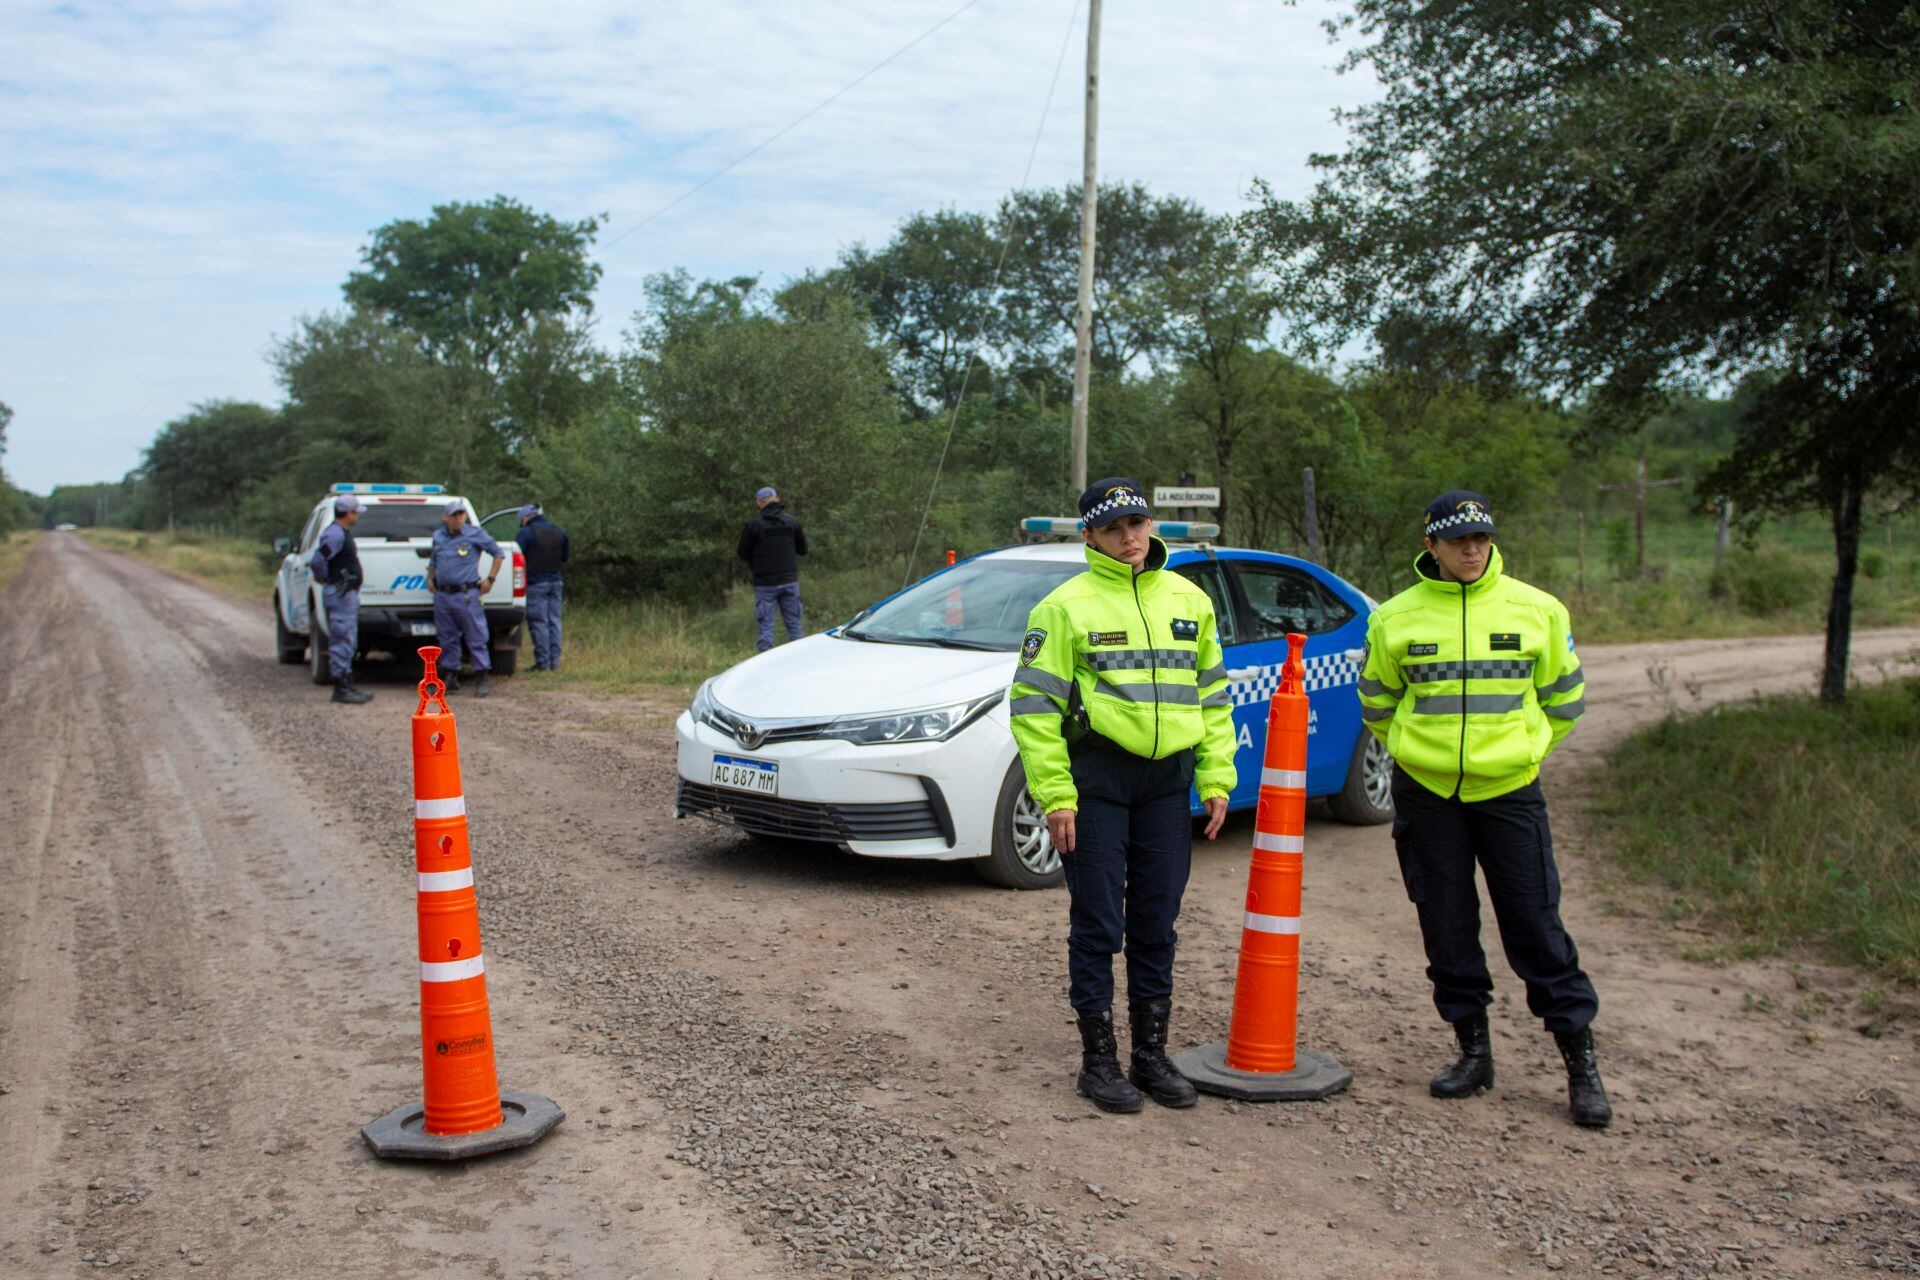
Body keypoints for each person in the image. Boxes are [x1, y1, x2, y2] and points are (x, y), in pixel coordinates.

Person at [1357, 490, 1610, 1129]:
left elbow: (1566, 702)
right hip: (1429, 796)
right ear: (1431, 546)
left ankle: (1580, 1065)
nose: (1472, 550)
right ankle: (1473, 1054)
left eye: (1481, 539)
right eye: (1458, 541)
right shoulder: (1393, 618)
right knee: (1445, 925)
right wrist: (1420, 755)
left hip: (1510, 794)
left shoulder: (1538, 610)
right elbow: (1377, 705)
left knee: (1535, 925)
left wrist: (1522, 754)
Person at [1008, 478, 1237, 1114]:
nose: (1129, 537)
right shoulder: (1063, 607)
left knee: (1156, 921)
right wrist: (1055, 795)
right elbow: (1032, 710)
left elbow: (1213, 698)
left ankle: (1151, 1055)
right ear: (1089, 536)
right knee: (1099, 923)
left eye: (1137, 523)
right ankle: (1099, 1061)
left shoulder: (1190, 599)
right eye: (1113, 528)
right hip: (1096, 783)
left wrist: (1217, 778)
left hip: (1168, 782)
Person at [426, 499, 505, 697]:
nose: (458, 518)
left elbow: (498, 553)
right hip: (443, 595)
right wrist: (429, 577)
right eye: (454, 515)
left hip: (466, 594)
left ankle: (481, 678)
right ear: (446, 518)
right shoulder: (438, 536)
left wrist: (491, 579)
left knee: (476, 635)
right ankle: (451, 676)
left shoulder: (474, 533)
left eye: (461, 514)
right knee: (447, 637)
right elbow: (434, 559)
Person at [310, 493, 373, 705]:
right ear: (348, 513)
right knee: (342, 639)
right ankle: (341, 688)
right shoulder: (335, 534)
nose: (357, 517)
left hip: (346, 594)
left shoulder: (342, 533)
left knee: (348, 638)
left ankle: (347, 683)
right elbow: (318, 560)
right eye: (356, 512)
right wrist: (329, 578)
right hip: (340, 593)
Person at [737, 485, 808, 652]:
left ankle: (764, 667)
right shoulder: (792, 523)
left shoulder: (753, 525)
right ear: (777, 499)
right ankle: (802, 662)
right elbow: (803, 550)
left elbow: (742, 553)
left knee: (766, 629)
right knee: (795, 626)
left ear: (759, 503)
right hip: (790, 581)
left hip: (765, 584)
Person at [515, 503, 570, 671]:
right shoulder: (559, 531)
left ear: (525, 518)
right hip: (556, 581)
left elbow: (515, 558)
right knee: (555, 621)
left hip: (536, 584)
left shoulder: (525, 534)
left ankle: (543, 663)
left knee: (539, 623)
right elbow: (565, 557)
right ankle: (555, 663)